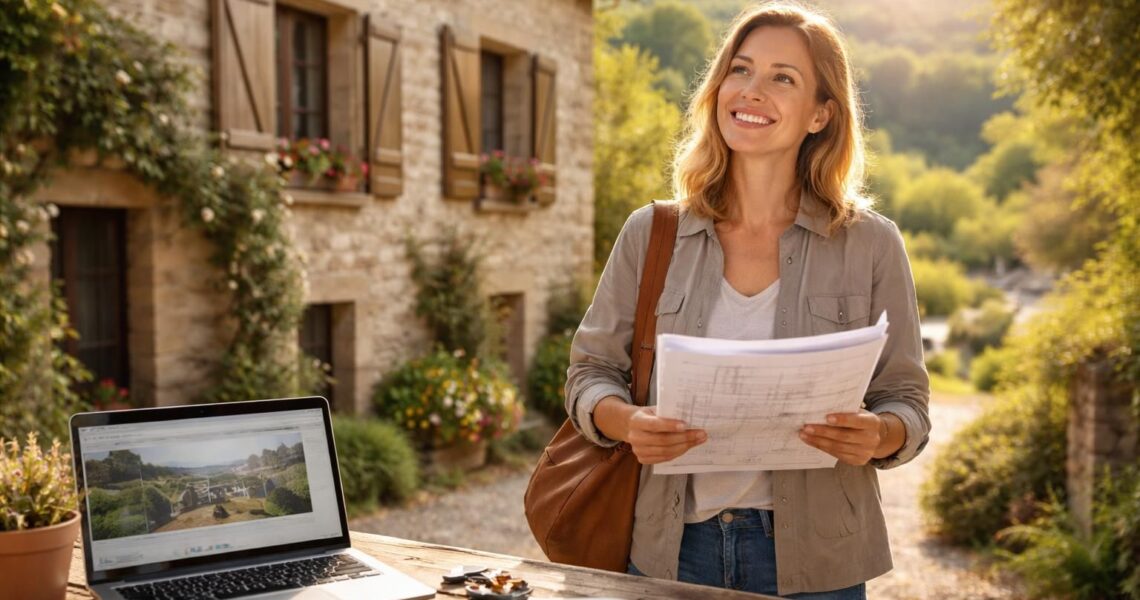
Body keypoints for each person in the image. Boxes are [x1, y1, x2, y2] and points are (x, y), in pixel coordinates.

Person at [564, 2, 931, 598]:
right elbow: (590, 375)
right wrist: (629, 422)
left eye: (782, 78)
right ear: (718, 89)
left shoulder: (871, 244)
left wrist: (879, 435)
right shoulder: (652, 232)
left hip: (820, 563)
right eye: (740, 69)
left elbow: (908, 403)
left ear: (820, 114)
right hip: (668, 550)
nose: (752, 91)